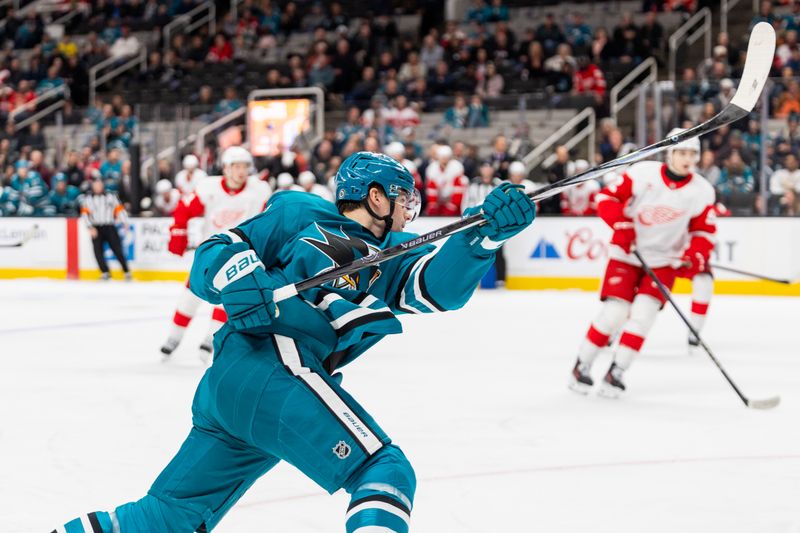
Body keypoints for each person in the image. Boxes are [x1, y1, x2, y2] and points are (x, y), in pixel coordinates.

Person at [56, 151, 536, 533]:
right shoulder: (299, 211)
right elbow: (217, 250)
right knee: (384, 472)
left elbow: (437, 289)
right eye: (401, 197)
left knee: (166, 517)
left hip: (238, 390)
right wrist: (236, 276)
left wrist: (483, 238)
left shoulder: (391, 256)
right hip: (271, 364)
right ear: (374, 197)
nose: (410, 208)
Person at [569, 129, 716, 396]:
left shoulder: (702, 191)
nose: (687, 159)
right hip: (627, 256)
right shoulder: (643, 173)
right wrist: (622, 225)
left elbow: (703, 233)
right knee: (615, 314)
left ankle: (617, 372)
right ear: (670, 153)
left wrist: (694, 254)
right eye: (682, 152)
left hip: (664, 263)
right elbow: (606, 199)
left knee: (643, 316)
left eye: (692, 154)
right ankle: (583, 365)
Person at [160, 146, 272, 362]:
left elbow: (270, 217)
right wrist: (179, 232)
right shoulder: (208, 187)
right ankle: (174, 338)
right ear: (226, 168)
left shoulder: (259, 190)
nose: (241, 171)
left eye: (245, 166)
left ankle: (210, 341)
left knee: (226, 301)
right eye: (236, 166)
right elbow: (184, 208)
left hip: (239, 256)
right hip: (210, 255)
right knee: (189, 298)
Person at [80, 178, 131, 281]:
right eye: (96, 185)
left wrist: (124, 222)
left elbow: (119, 209)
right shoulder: (87, 199)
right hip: (96, 227)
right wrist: (90, 227)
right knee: (97, 251)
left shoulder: (111, 197)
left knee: (117, 250)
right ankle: (105, 272)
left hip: (109, 226)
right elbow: (85, 215)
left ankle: (126, 271)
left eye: (99, 185)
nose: (98, 187)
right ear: (93, 186)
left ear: (102, 185)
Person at [424, 144, 467, 216]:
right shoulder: (432, 168)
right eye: (442, 157)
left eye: (446, 157)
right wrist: (433, 204)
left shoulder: (457, 167)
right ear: (438, 157)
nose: (444, 160)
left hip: (453, 200)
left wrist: (453, 205)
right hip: (439, 201)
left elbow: (458, 189)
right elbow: (431, 188)